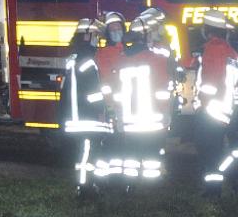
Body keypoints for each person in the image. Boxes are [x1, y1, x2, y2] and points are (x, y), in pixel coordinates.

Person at [194, 9, 238, 194]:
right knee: (225, 151)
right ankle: (236, 180)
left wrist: (202, 104)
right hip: (227, 109)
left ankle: (213, 191)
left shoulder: (212, 49)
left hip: (211, 110)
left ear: (207, 29)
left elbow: (211, 82)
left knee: (210, 153)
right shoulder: (231, 52)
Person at [111, 17, 173, 181]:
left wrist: (118, 115)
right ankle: (149, 189)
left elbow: (117, 92)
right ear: (145, 36)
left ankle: (129, 186)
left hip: (129, 121)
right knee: (151, 157)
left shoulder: (121, 60)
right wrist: (166, 112)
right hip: (151, 121)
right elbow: (162, 90)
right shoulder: (156, 60)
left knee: (131, 156)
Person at [61, 18, 110, 192]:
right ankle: (84, 188)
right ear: (87, 36)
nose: (98, 39)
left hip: (74, 118)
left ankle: (85, 185)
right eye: (96, 35)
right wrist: (102, 110)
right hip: (88, 119)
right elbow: (93, 93)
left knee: (82, 153)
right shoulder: (88, 61)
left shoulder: (72, 60)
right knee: (87, 155)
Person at [93, 11, 127, 177]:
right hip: (111, 109)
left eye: (118, 28)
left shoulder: (128, 52)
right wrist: (109, 106)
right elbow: (104, 82)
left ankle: (121, 178)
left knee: (125, 145)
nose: (116, 32)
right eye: (112, 29)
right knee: (110, 144)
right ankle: (108, 178)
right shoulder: (102, 54)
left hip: (128, 109)